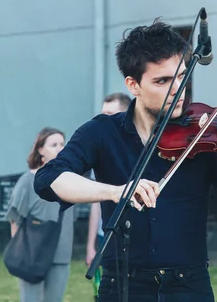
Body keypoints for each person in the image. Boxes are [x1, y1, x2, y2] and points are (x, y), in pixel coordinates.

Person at [34, 19, 217, 301]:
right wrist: (115, 191)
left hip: (189, 288)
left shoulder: (208, 138)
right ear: (133, 85)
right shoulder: (102, 132)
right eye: (162, 81)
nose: (177, 89)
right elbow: (48, 180)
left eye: (182, 76)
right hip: (122, 287)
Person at [5, 127, 75, 302]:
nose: (60, 148)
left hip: (61, 254)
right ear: (40, 150)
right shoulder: (27, 181)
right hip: (33, 254)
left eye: (62, 144)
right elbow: (15, 220)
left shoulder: (73, 180)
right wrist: (22, 254)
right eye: (53, 144)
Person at [86, 92, 132, 300]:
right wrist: (90, 245)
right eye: (102, 113)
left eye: (110, 113)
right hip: (108, 236)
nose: (104, 119)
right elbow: (96, 203)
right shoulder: (102, 149)